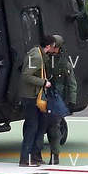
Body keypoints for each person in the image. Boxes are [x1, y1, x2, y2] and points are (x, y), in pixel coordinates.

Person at [19, 35, 61, 166]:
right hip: (31, 96)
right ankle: (25, 158)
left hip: (32, 95)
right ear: (48, 46)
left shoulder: (35, 52)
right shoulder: (37, 57)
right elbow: (26, 75)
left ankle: (34, 155)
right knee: (32, 126)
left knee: (39, 125)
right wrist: (43, 82)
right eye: (52, 47)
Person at [42, 36, 77, 164]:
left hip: (56, 98)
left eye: (55, 47)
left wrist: (72, 101)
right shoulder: (44, 59)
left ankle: (54, 155)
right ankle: (36, 155)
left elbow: (72, 83)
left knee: (54, 127)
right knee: (39, 125)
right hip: (43, 95)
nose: (53, 49)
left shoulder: (64, 64)